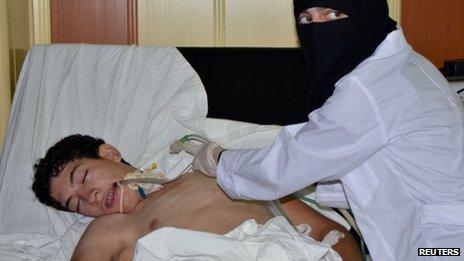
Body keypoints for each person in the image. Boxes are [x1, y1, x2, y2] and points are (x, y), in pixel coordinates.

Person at [192, 0, 464, 260]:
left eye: (333, 14)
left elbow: (292, 162)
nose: (318, 29)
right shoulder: (406, 63)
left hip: (442, 247)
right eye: (306, 18)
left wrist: (221, 160)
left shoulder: (369, 90)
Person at [32, 134, 362, 260]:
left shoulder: (217, 174)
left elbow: (330, 235)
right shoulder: (108, 231)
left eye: (83, 178)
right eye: (76, 204)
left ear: (110, 153)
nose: (88, 197)